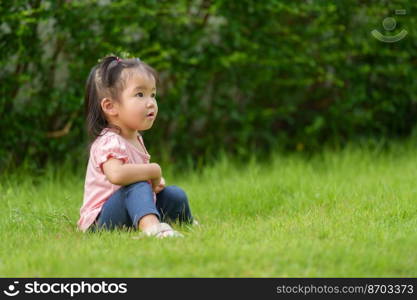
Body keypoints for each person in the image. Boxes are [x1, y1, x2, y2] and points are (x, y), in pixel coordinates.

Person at [77, 55, 195, 238]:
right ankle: (153, 229)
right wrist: (153, 171)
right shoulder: (109, 140)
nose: (151, 103)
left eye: (153, 94)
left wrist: (152, 183)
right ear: (110, 107)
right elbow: (116, 175)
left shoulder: (134, 137)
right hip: (101, 222)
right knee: (137, 186)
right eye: (140, 94)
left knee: (174, 194)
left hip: (128, 209)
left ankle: (187, 223)